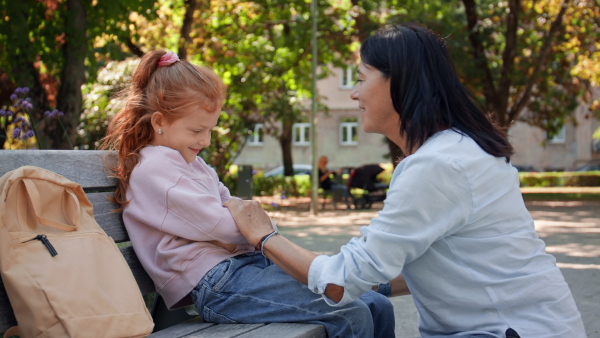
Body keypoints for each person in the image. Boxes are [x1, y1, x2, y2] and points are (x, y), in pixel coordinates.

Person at [224, 24, 586, 338]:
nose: (354, 93)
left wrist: (264, 235)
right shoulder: (457, 150)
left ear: (396, 82)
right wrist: (363, 279)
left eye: (362, 79)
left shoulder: (438, 164)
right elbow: (449, 267)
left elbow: (341, 280)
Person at [100, 50, 395, 338]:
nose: (205, 140)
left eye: (210, 130)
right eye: (196, 131)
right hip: (219, 285)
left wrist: (241, 228)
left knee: (375, 304)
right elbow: (225, 223)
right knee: (350, 313)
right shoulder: (155, 167)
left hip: (241, 270)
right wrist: (248, 230)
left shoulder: (191, 164)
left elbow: (234, 211)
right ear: (160, 122)